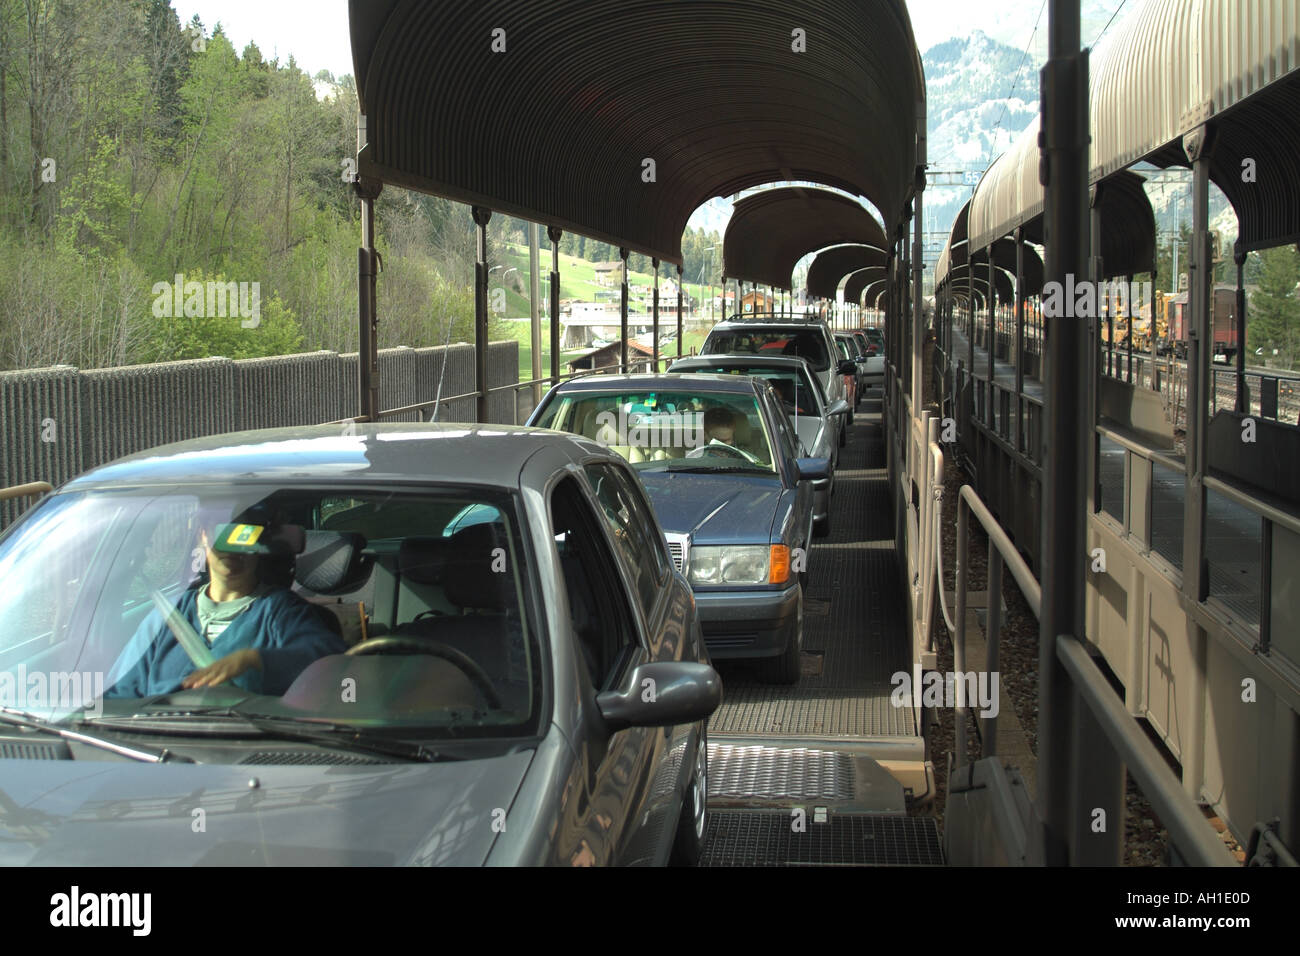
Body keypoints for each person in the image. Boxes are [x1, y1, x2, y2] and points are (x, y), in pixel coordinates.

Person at [106, 512, 346, 698]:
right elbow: (118, 695)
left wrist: (255, 660)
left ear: (259, 544)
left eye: (244, 536)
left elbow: (332, 660)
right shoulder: (167, 615)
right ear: (203, 535)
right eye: (224, 533)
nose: (233, 548)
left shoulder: (279, 611)